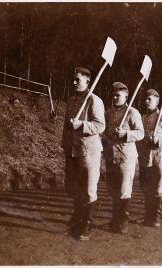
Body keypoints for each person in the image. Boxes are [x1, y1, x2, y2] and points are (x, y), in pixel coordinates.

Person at [62, 67, 105, 241]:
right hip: (72, 151)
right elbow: (66, 125)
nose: (73, 83)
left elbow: (100, 126)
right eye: (73, 79)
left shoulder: (94, 100)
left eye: (77, 80)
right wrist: (64, 144)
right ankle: (76, 221)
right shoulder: (72, 100)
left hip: (89, 152)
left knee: (88, 189)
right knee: (73, 189)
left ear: (87, 81)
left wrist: (81, 124)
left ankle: (85, 226)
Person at [103, 82, 144, 234]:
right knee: (112, 190)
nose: (115, 97)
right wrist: (106, 138)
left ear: (126, 96)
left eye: (118, 95)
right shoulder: (108, 113)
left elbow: (141, 133)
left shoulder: (133, 113)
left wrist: (126, 134)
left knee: (124, 190)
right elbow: (104, 131)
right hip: (110, 156)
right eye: (113, 95)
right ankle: (115, 220)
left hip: (126, 157)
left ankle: (122, 223)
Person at [137, 89, 162, 227]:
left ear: (158, 101)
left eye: (150, 99)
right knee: (146, 187)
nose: (147, 101)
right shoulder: (142, 118)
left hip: (158, 158)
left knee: (157, 187)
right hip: (144, 158)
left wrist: (159, 140)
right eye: (146, 99)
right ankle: (147, 216)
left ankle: (155, 218)